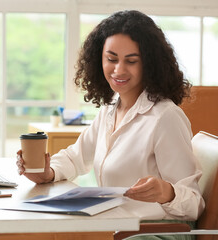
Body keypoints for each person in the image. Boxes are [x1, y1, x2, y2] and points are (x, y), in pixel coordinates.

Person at [16, 10, 204, 224]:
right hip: (115, 226)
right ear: (99, 60)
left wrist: (167, 193)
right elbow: (75, 157)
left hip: (154, 231)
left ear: (150, 64)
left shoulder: (165, 117)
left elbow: (194, 204)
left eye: (131, 61)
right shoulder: (111, 108)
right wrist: (47, 173)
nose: (118, 70)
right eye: (111, 59)